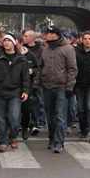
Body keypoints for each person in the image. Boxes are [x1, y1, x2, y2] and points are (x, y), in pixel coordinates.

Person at [33, 25, 78, 153]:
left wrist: (70, 86)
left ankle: (59, 142)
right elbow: (40, 68)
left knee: (60, 115)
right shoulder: (45, 49)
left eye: (46, 33)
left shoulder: (68, 49)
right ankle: (52, 138)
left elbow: (72, 69)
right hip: (47, 86)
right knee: (50, 115)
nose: (44, 35)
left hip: (62, 87)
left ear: (54, 34)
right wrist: (36, 84)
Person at [0, 34, 29, 152]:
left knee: (13, 117)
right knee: (2, 119)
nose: (6, 43)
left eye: (9, 40)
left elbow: (25, 77)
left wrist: (25, 90)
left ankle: (13, 136)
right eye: (4, 41)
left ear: (14, 42)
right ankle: (3, 142)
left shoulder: (22, 58)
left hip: (15, 92)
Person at [16, 35, 38, 138]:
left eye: (15, 43)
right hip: (12, 87)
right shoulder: (7, 55)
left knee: (26, 110)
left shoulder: (30, 55)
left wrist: (32, 71)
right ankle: (13, 131)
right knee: (13, 111)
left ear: (21, 43)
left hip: (26, 86)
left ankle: (25, 127)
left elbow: (38, 69)